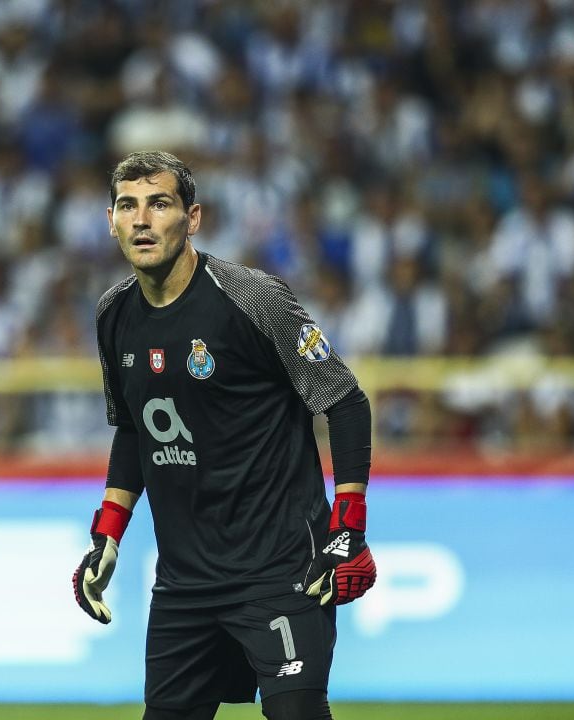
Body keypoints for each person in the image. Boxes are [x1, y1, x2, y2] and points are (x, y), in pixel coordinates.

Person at [72, 151, 377, 720]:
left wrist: (348, 527)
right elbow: (136, 430)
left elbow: (346, 402)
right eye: (127, 206)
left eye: (159, 204)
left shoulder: (253, 299)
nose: (142, 220)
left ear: (193, 218)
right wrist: (107, 535)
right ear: (110, 221)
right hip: (184, 584)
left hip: (281, 570)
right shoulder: (113, 314)